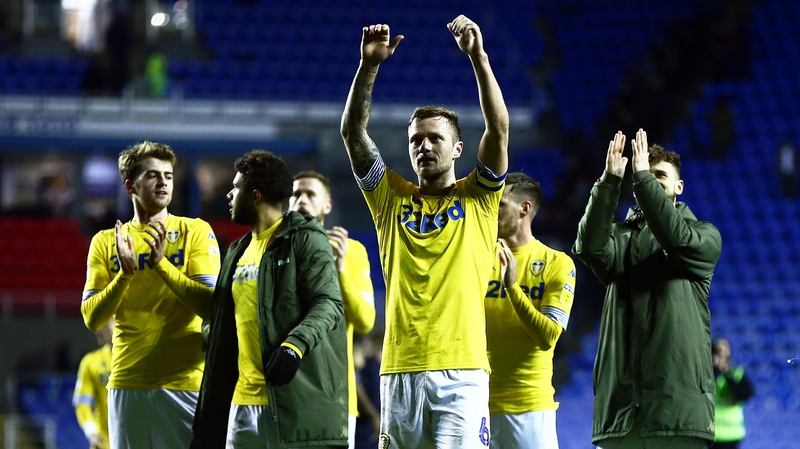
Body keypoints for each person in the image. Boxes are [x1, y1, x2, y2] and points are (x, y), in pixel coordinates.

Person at [340, 15, 509, 448]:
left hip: (463, 371)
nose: (424, 146)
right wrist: (369, 67)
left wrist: (478, 58)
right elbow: (353, 133)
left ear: (456, 148)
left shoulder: (480, 196)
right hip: (398, 370)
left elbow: (499, 129)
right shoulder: (390, 198)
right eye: (416, 139)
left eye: (435, 138)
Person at [573, 129, 722, 449]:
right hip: (620, 416)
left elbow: (676, 237)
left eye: (660, 175)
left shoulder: (704, 236)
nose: (651, 180)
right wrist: (609, 182)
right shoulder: (618, 237)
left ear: (679, 187)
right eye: (645, 174)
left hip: (678, 416)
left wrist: (641, 178)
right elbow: (588, 248)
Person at [190, 150, 348, 449]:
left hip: (292, 408)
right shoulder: (236, 251)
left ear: (255, 196)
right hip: (240, 406)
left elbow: (329, 304)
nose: (228, 194)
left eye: (235, 188)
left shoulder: (305, 238)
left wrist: (294, 346)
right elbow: (226, 319)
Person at [81, 141, 220, 449]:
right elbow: (92, 318)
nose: (163, 182)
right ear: (131, 185)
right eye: (153, 175)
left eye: (169, 176)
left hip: (185, 383)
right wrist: (124, 275)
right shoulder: (106, 242)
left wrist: (162, 266)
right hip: (126, 383)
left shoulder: (194, 231)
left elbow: (212, 306)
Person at [487, 172, 576, 449]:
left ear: (524, 208)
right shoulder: (479, 259)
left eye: (500, 205)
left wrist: (512, 286)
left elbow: (548, 336)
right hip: (476, 405)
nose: (492, 211)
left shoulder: (556, 263)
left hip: (530, 407)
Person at [289, 170, 376, 449]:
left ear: (327, 205)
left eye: (310, 194)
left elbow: (365, 321)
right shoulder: (275, 252)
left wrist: (339, 270)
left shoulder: (352, 252)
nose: (301, 199)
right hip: (284, 394)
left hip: (336, 397)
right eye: (295, 194)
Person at [73, 319, 114, 449]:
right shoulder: (90, 362)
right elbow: (82, 404)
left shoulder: (140, 359)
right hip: (104, 443)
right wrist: (92, 432)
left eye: (103, 323)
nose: (96, 330)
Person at [713, 337, 754, 449]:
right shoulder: (707, 373)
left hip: (731, 433)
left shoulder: (736, 373)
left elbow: (745, 394)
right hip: (710, 432)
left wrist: (726, 371)